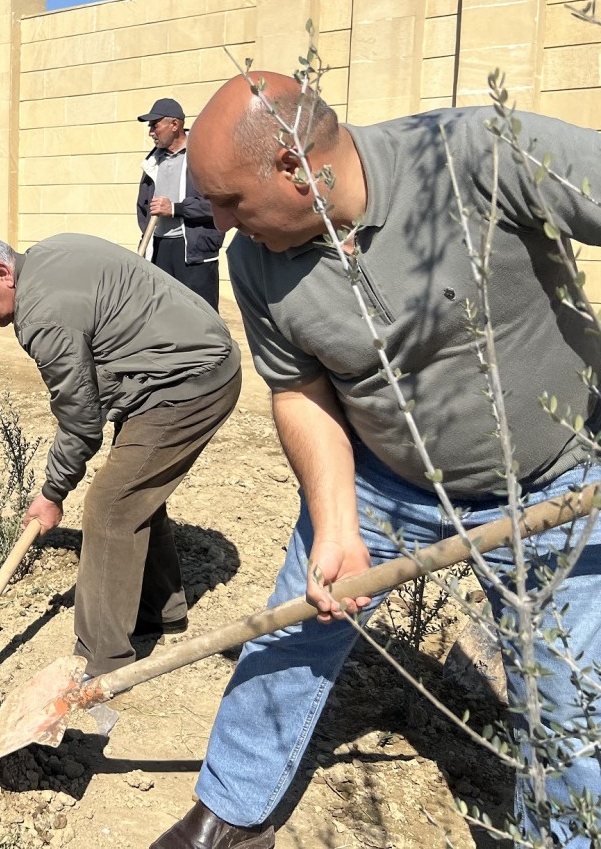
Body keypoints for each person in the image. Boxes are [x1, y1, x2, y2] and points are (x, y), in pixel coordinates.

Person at [150, 71, 601, 849]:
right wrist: (334, 523)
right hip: (384, 483)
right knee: (290, 634)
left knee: (573, 704)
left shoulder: (473, 153)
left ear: (294, 171)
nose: (215, 222)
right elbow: (301, 392)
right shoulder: (258, 264)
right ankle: (228, 806)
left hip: (560, 480)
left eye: (227, 201)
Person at [0, 232, 241, 676]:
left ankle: (100, 664)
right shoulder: (45, 255)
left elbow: (80, 420)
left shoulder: (44, 314)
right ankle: (162, 609)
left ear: (2, 273)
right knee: (134, 491)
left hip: (188, 382)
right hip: (170, 372)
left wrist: (52, 492)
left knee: (111, 505)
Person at [135, 98, 226, 310]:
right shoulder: (152, 162)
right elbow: (143, 207)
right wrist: (145, 242)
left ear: (174, 125)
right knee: (165, 314)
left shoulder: (202, 158)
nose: (151, 132)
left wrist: (175, 209)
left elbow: (217, 204)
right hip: (159, 249)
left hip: (194, 252)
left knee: (200, 315)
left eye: (155, 125)